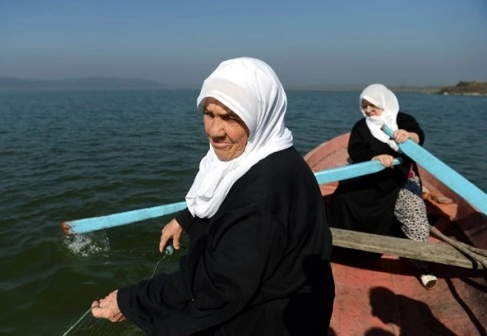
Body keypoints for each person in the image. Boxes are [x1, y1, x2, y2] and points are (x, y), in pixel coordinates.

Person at [91, 57, 335, 335]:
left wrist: (128, 301)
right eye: (209, 113)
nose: (214, 131)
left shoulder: (259, 201)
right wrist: (186, 218)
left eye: (231, 117)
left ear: (261, 114)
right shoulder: (271, 153)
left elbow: (214, 289)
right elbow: (218, 192)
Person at [325, 83, 437, 289]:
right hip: (369, 176)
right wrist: (375, 157)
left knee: (413, 212)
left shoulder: (402, 120)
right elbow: (356, 151)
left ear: (384, 103)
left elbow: (418, 135)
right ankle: (344, 248)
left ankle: (423, 265)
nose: (368, 110)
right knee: (343, 199)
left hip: (399, 178)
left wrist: (408, 136)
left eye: (372, 105)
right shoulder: (361, 126)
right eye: (364, 105)